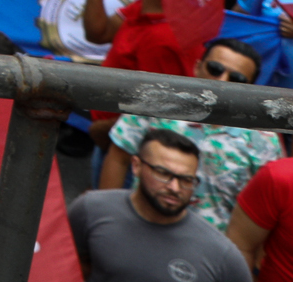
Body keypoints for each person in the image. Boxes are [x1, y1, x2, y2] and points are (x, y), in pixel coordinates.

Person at [103, 38, 272, 229]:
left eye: (237, 79)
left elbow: (263, 209)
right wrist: (107, 219)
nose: (222, 81)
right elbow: (118, 159)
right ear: (197, 67)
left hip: (211, 251)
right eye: (215, 69)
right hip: (139, 230)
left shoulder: (264, 141)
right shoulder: (156, 103)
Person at [71, 128, 248, 282]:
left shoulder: (221, 254)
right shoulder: (91, 209)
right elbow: (62, 265)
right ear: (136, 166)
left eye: (186, 180)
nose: (174, 187)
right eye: (163, 173)